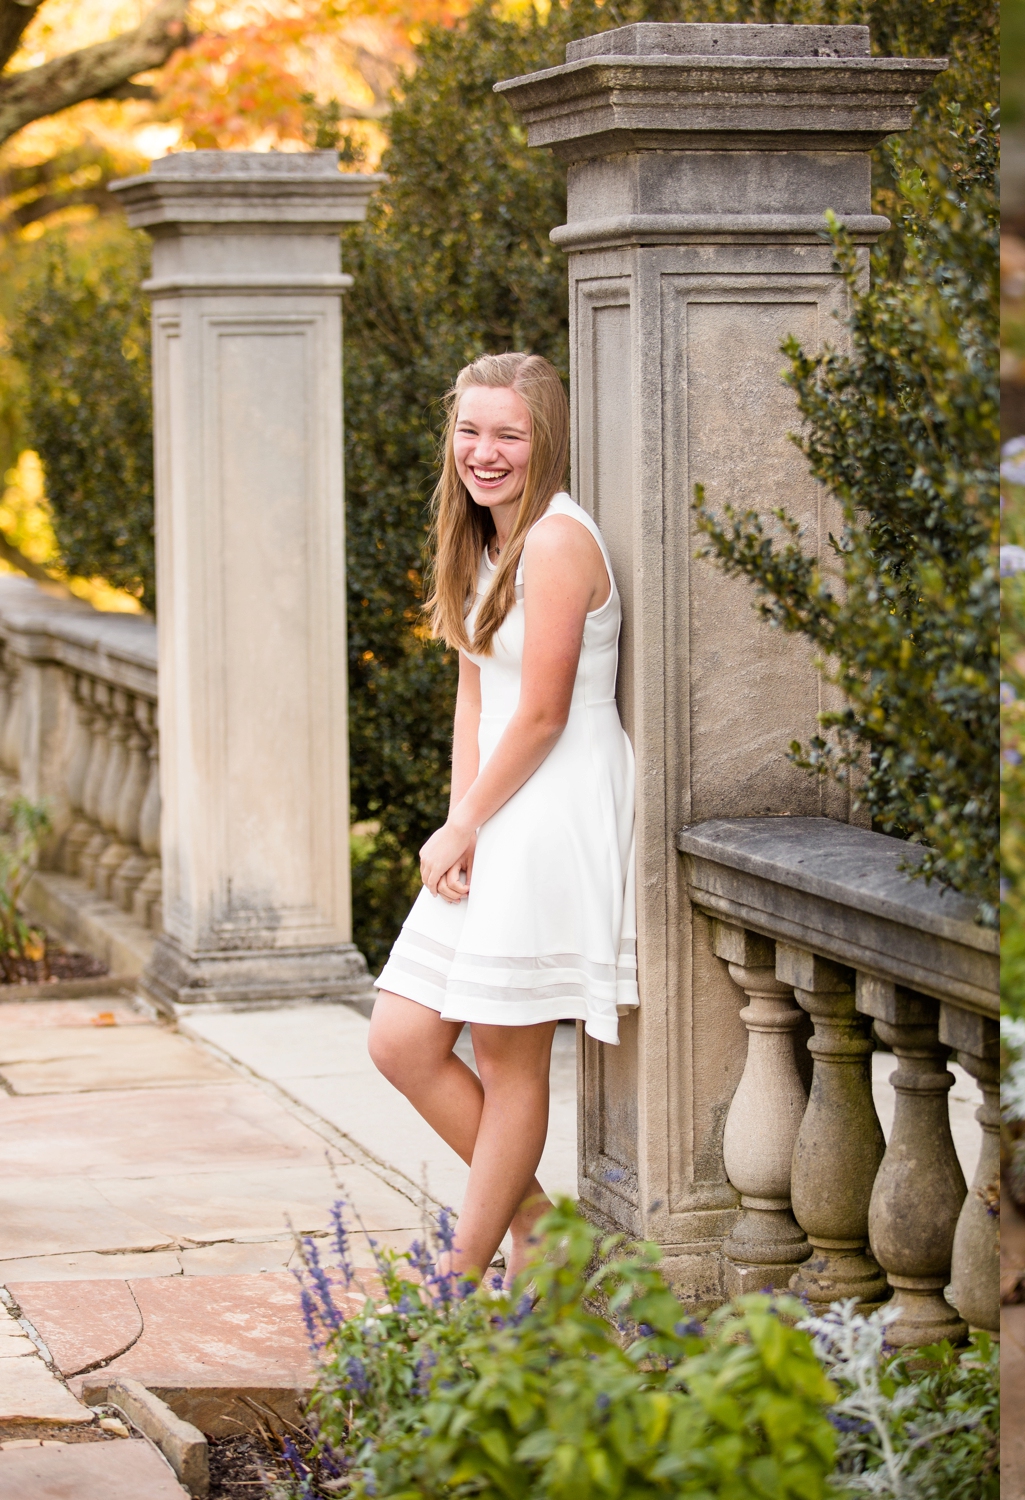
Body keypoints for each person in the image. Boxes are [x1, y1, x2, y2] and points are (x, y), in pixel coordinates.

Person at [368, 352, 637, 1287]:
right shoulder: (478, 540)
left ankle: (454, 1290)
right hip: (495, 803)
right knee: (400, 1040)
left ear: (544, 441)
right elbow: (476, 700)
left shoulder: (559, 541)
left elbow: (546, 712)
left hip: (554, 796)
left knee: (507, 1054)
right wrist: (457, 825)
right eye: (471, 430)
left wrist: (474, 820)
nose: (485, 452)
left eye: (508, 434)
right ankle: (541, 1231)